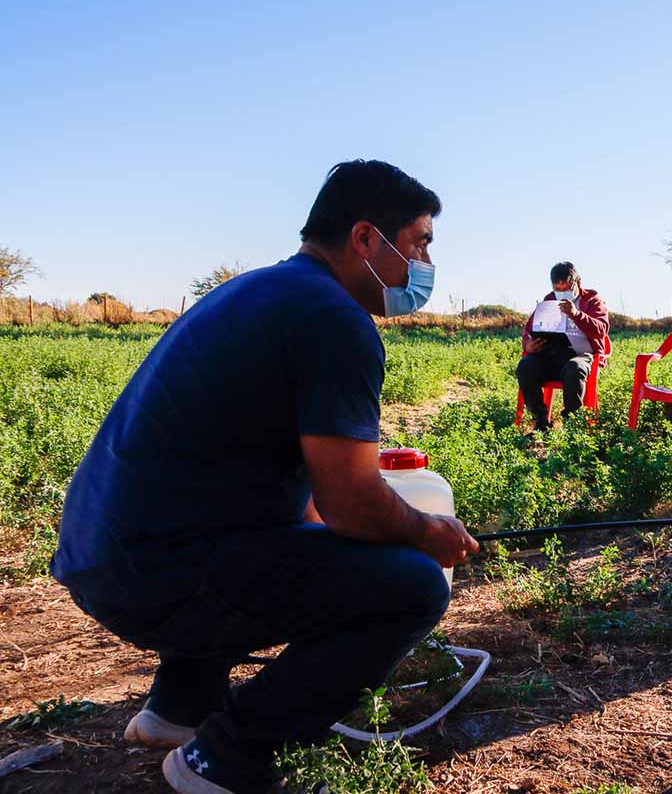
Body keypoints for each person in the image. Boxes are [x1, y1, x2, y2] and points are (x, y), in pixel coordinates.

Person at [49, 160, 479, 794]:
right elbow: (354, 506)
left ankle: (178, 711)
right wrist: (426, 534)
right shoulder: (334, 320)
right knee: (412, 587)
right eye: (419, 243)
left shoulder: (259, 290)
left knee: (256, 532)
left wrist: (353, 535)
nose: (422, 266)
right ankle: (224, 760)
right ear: (365, 239)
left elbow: (301, 500)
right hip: (155, 575)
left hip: (104, 555)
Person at [517, 262, 610, 430]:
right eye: (557, 288)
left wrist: (576, 314)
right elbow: (529, 330)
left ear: (577, 283)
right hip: (552, 355)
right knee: (526, 366)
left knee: (574, 368)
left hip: (582, 356)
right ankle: (541, 422)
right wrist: (528, 345)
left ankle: (571, 425)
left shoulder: (592, 301)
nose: (561, 291)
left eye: (566, 286)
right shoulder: (549, 301)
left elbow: (601, 330)